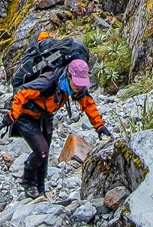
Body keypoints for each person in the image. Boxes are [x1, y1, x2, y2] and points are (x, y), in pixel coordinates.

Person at [7, 52, 106, 198]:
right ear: (68, 75)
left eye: (82, 82)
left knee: (44, 157)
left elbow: (88, 104)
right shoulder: (47, 82)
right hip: (25, 116)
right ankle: (28, 182)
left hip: (45, 117)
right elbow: (22, 93)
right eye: (77, 82)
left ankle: (40, 191)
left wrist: (100, 126)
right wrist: (11, 115)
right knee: (41, 150)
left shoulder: (75, 88)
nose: (79, 87)